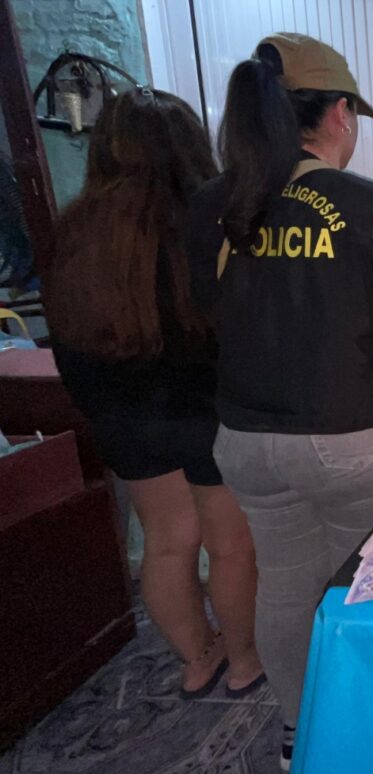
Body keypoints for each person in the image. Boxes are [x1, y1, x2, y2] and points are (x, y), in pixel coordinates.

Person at [186, 33, 373, 770]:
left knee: (284, 585)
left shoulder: (210, 205)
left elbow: (208, 312)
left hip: (246, 439)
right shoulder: (369, 206)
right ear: (337, 113)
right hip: (353, 437)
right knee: (362, 593)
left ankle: (301, 734)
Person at [44, 89, 263, 699]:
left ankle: (198, 659)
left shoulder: (74, 232)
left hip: (124, 412)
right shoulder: (212, 221)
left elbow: (66, 335)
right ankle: (245, 662)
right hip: (209, 409)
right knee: (231, 547)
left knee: (166, 545)